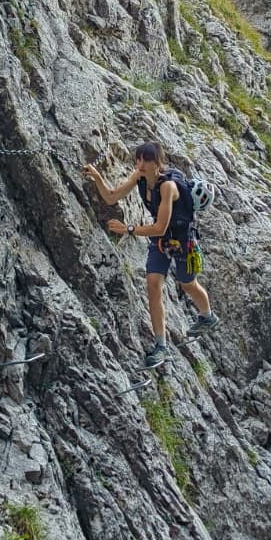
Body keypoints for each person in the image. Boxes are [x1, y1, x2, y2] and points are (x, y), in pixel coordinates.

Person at [83, 141, 218, 369]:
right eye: (138, 159)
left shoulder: (168, 188)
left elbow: (159, 227)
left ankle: (207, 316)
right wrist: (97, 177)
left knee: (188, 284)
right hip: (162, 241)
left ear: (158, 163)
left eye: (147, 160)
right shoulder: (140, 176)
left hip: (183, 240)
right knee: (153, 284)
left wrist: (129, 229)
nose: (141, 164)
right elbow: (112, 197)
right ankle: (160, 346)